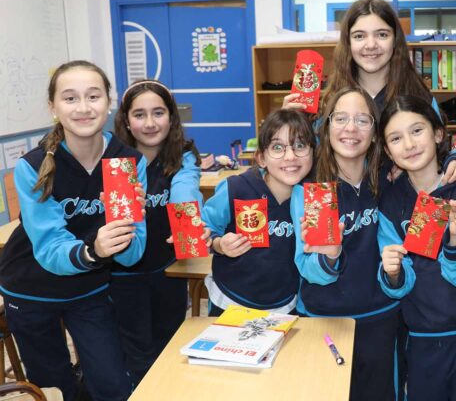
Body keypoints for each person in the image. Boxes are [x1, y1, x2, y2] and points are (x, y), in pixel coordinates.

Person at [0, 60, 147, 401]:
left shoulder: (126, 161)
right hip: (31, 288)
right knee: (54, 388)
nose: (83, 107)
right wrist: (94, 249)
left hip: (89, 289)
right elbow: (51, 248)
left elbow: (133, 253)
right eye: (70, 98)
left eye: (93, 96)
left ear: (109, 102)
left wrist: (121, 230)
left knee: (112, 385)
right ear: (53, 107)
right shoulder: (33, 166)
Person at [377, 95, 456, 400]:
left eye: (417, 131)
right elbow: (397, 286)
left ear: (438, 134)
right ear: (386, 150)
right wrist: (392, 272)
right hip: (423, 335)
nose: (408, 144)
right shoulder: (391, 202)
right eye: (396, 138)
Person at [284, 0, 456, 184]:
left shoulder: (419, 97)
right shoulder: (328, 100)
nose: (371, 45)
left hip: (401, 207)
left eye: (382, 34)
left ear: (395, 40)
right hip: (342, 206)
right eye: (359, 36)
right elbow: (307, 156)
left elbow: (440, 149)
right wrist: (291, 125)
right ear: (348, 43)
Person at [291, 87, 402, 401]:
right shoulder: (313, 188)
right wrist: (329, 257)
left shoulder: (388, 181)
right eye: (340, 118)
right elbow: (309, 267)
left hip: (380, 316)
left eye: (362, 120)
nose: (350, 128)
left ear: (375, 133)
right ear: (326, 128)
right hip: (325, 320)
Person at [111, 79, 205, 386]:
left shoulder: (184, 154)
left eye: (158, 113)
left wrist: (185, 220)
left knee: (169, 344)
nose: (150, 123)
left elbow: (185, 188)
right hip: (122, 274)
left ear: (172, 117)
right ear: (126, 120)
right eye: (139, 115)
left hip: (168, 270)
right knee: (136, 353)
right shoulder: (115, 158)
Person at [202, 109, 315, 316]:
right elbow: (205, 228)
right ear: (261, 158)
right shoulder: (236, 188)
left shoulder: (313, 198)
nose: (290, 156)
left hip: (285, 305)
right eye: (278, 147)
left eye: (300, 145)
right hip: (229, 302)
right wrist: (220, 245)